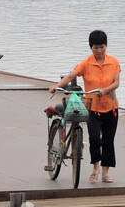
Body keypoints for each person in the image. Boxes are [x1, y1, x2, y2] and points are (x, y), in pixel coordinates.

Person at [50, 30, 120, 183]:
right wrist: (56, 86)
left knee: (108, 141)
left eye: (102, 47)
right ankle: (95, 168)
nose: (99, 51)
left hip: (111, 108)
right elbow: (70, 76)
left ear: (106, 46)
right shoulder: (86, 63)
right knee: (95, 139)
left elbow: (116, 83)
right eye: (96, 48)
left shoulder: (113, 62)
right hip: (93, 108)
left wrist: (105, 90)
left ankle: (105, 172)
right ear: (91, 48)